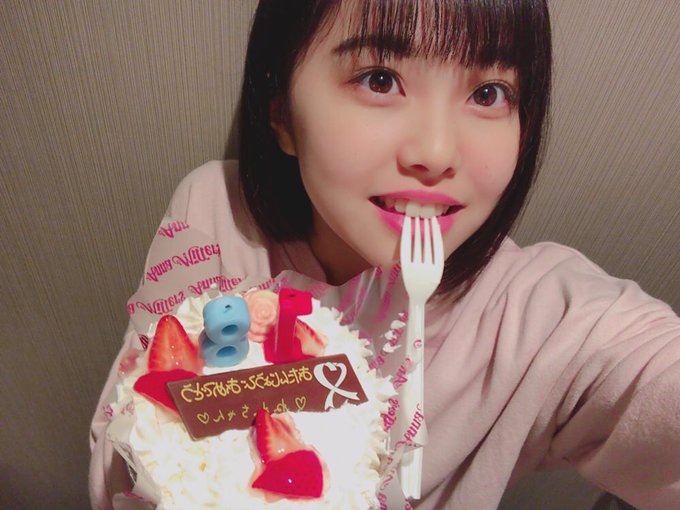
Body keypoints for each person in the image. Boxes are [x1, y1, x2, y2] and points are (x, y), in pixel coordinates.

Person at [89, 1, 680, 509]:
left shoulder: (539, 317)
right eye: (379, 80)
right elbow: (128, 450)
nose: (437, 152)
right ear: (282, 113)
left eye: (488, 93)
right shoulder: (216, 215)